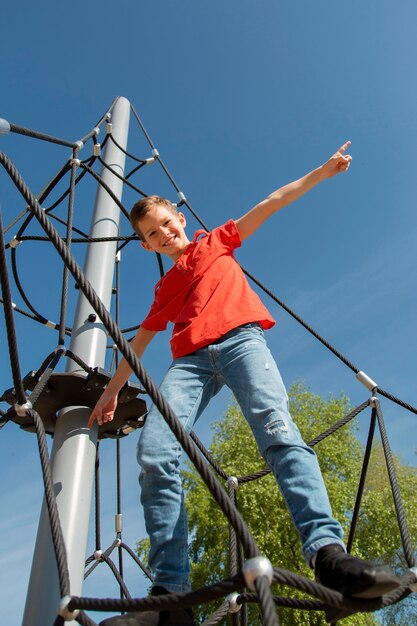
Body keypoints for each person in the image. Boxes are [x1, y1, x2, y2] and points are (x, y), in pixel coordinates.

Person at [89, 142, 399, 626]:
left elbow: (272, 202)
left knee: (277, 433)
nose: (165, 233)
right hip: (190, 362)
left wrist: (322, 171)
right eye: (153, 234)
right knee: (154, 451)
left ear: (181, 220)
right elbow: (142, 340)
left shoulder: (216, 242)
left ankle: (327, 554)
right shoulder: (165, 287)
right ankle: (172, 595)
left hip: (241, 342)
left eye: (168, 223)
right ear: (147, 245)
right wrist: (112, 391)